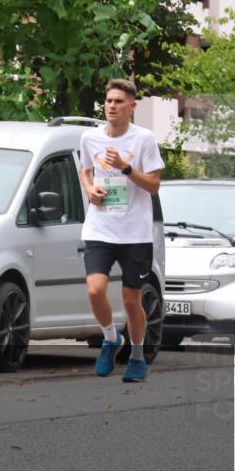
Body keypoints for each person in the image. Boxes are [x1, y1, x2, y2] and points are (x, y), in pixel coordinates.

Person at [78, 79, 164, 382]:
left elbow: (154, 184)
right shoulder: (90, 138)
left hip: (135, 233)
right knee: (94, 289)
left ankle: (138, 357)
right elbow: (85, 167)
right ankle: (110, 337)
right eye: (109, 101)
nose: (112, 106)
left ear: (132, 107)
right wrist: (90, 189)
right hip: (100, 227)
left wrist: (126, 168)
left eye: (118, 101)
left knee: (131, 300)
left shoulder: (144, 139)